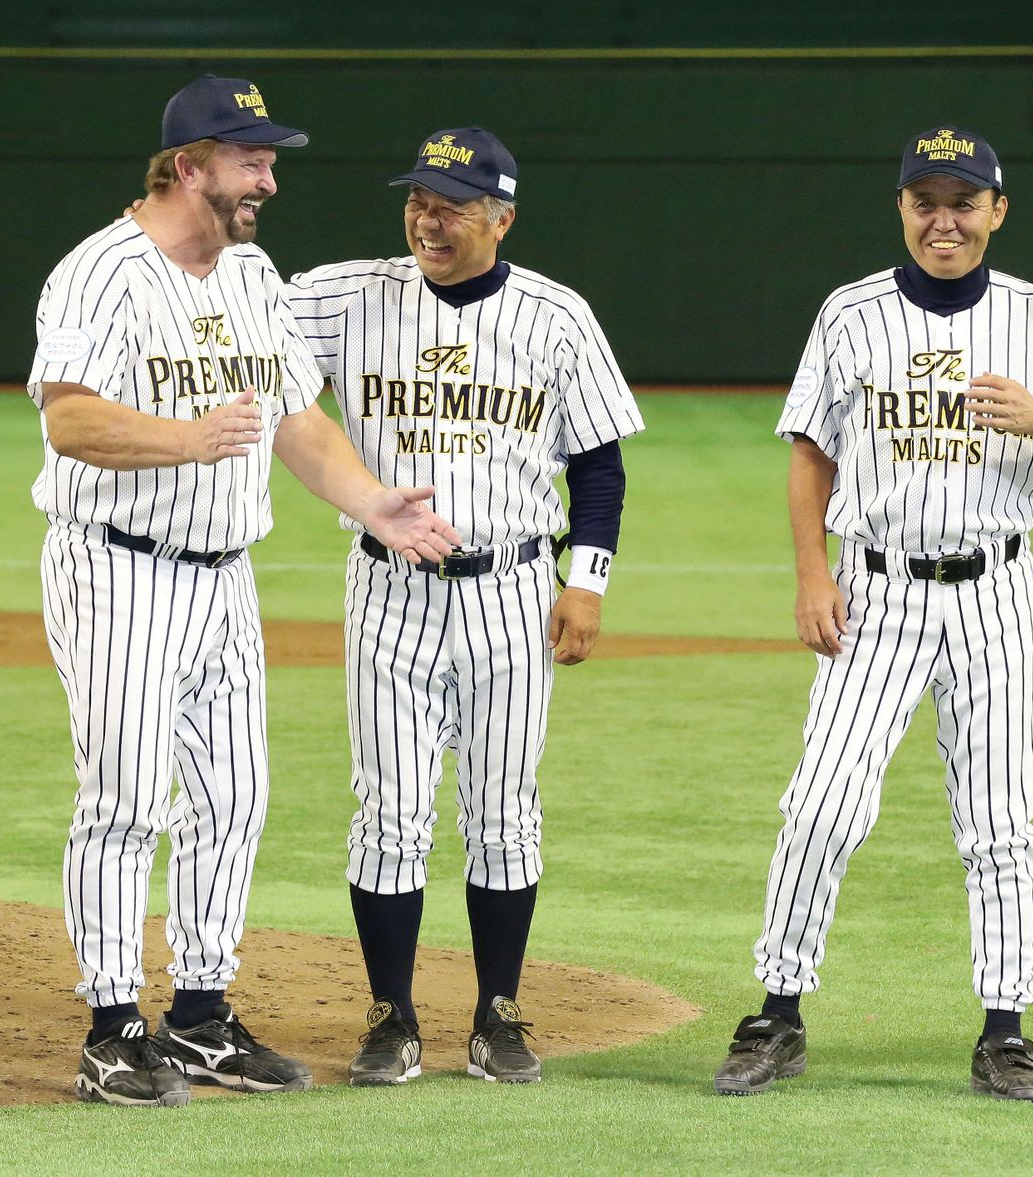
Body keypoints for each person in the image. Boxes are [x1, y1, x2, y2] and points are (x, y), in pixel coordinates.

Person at [27, 75, 459, 1108]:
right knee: (127, 799)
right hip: (119, 565)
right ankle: (109, 1025)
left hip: (225, 575)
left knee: (236, 797)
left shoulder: (254, 275)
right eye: (250, 158)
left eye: (269, 159)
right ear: (190, 166)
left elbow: (296, 418)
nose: (268, 177)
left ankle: (202, 1014)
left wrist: (373, 505)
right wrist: (186, 439)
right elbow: (69, 419)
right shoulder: (102, 273)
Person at [712, 127, 1033, 1101]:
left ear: (997, 210)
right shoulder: (851, 314)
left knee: (1000, 822)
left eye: (964, 199)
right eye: (925, 199)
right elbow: (811, 451)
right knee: (822, 804)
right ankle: (777, 1011)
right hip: (878, 592)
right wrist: (813, 576)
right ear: (902, 206)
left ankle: (1005, 1030)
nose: (944, 217)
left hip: (996, 594)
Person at [285, 127, 645, 1085]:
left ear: (502, 217)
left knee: (503, 808)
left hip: (513, 588)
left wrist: (588, 580)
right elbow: (237, 323)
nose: (426, 218)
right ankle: (391, 1017)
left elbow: (599, 461)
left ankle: (498, 1014)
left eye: (450, 204)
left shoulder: (556, 316)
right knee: (390, 808)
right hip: (388, 587)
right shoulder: (345, 295)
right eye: (417, 199)